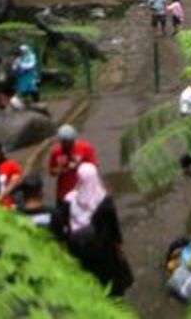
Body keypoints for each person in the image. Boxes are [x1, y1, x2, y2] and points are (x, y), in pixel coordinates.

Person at [56, 163, 133, 296]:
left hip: (78, 250)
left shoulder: (69, 200)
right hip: (104, 251)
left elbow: (62, 226)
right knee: (109, 284)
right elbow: (114, 229)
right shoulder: (104, 201)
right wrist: (120, 249)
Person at [48, 124, 99, 202]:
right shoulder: (56, 152)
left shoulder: (85, 148)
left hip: (82, 192)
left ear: (72, 140)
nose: (64, 144)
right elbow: (52, 171)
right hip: (63, 194)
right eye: (62, 141)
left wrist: (78, 166)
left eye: (66, 142)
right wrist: (61, 169)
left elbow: (94, 166)